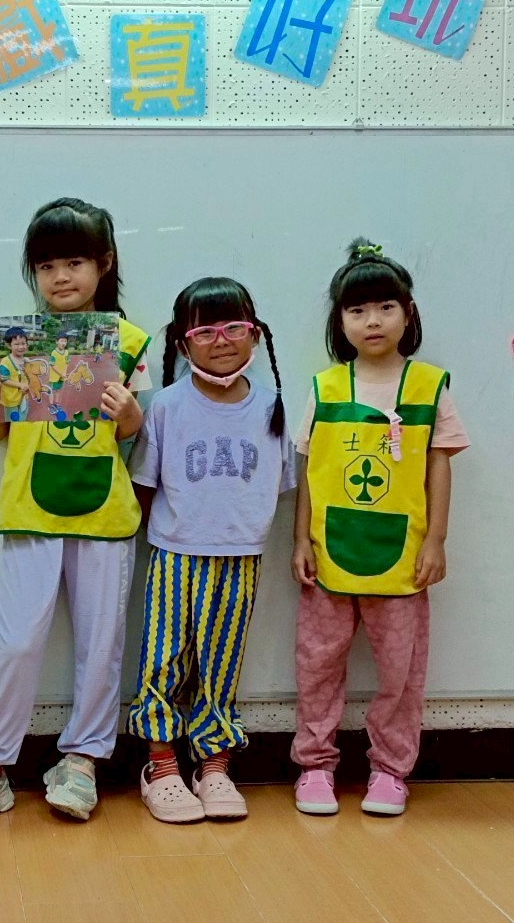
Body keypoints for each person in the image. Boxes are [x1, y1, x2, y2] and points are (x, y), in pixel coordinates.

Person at [0, 198, 150, 826]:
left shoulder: (130, 342)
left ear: (103, 264)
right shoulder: (17, 344)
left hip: (105, 515)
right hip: (30, 510)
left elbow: (132, 433)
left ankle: (82, 760)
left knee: (101, 645)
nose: (61, 277)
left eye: (75, 262)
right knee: (17, 642)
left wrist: (130, 418)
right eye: (47, 265)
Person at [290, 239, 469, 818]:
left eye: (386, 307)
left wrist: (436, 540)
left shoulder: (429, 386)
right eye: (358, 310)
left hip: (403, 558)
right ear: (339, 321)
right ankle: (315, 765)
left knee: (401, 672)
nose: (372, 321)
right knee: (317, 664)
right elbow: (309, 472)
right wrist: (299, 539)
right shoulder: (324, 388)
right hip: (329, 554)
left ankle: (390, 771)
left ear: (407, 314)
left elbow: (439, 466)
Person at [125, 277, 294, 823]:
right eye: (205, 331)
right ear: (183, 342)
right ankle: (160, 765)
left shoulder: (272, 407)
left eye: (234, 328)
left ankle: (214, 765)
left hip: (242, 557)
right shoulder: (167, 406)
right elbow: (143, 486)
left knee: (221, 663)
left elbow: (284, 485)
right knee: (163, 661)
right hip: (174, 555)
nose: (221, 341)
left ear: (254, 334)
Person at [0, 326, 32, 421]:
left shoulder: (24, 359)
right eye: (17, 344)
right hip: (11, 398)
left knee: (23, 418)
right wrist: (19, 385)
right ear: (9, 345)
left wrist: (26, 363)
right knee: (13, 421)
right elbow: (3, 380)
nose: (21, 347)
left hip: (24, 396)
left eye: (23, 343)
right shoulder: (5, 362)